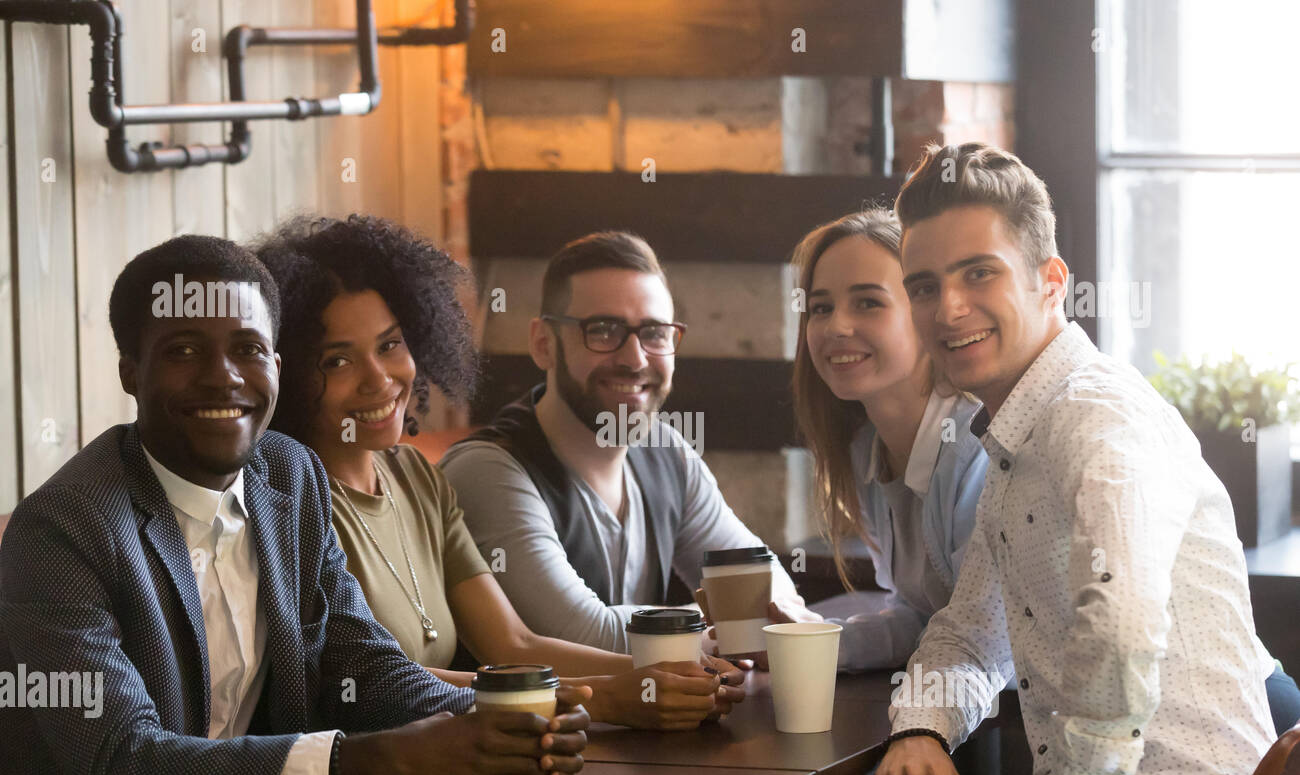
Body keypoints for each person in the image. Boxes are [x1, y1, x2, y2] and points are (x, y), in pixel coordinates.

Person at [0, 236, 589, 775]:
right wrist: (369, 758)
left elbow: (361, 664)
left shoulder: (290, 475)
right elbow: (123, 767)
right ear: (129, 372)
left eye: (247, 349)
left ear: (277, 367)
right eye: (184, 350)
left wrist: (511, 719)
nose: (223, 375)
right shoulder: (63, 532)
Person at [866, 143, 1298, 775]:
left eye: (980, 273)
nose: (950, 308)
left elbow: (1123, 620)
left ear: (1050, 282)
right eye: (923, 285)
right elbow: (971, 631)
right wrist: (921, 728)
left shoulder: (1098, 418)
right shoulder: (1016, 441)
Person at [254, 215, 743, 730]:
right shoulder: (289, 500)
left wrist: (676, 676)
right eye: (337, 362)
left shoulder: (417, 478)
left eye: (389, 345)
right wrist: (601, 696)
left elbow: (513, 643)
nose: (379, 379)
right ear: (286, 372)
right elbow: (383, 679)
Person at [439, 231, 815, 655]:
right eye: (603, 330)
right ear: (544, 344)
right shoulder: (488, 471)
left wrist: (769, 613)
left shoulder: (667, 453)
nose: (634, 359)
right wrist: (738, 630)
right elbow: (585, 636)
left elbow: (761, 581)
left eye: (654, 333)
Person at [784, 207, 989, 673]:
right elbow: (920, 617)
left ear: (926, 314)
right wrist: (801, 646)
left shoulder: (976, 446)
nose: (836, 326)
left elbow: (985, 641)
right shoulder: (865, 452)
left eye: (868, 302)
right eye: (820, 307)